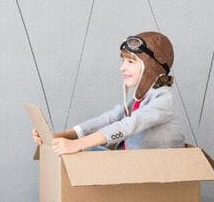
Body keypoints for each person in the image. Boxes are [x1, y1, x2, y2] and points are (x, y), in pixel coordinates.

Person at [31, 31, 186, 155]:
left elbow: (128, 125)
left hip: (155, 167)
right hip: (130, 159)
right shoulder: (138, 99)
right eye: (123, 61)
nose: (122, 68)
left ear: (152, 67)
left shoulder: (163, 100)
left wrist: (77, 144)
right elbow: (108, 119)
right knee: (82, 152)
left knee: (81, 150)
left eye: (130, 62)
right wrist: (62, 136)